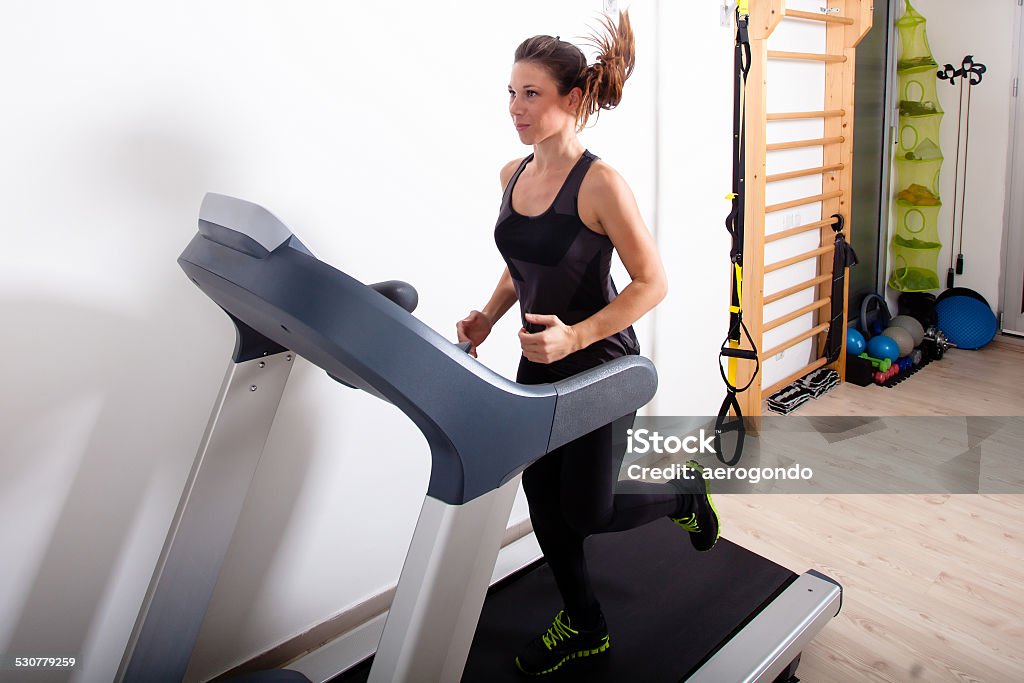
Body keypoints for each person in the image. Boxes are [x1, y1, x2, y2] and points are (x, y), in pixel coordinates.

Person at [456, 11, 719, 676]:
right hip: (538, 360)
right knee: (544, 498)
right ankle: (584, 622)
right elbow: (527, 266)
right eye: (511, 93)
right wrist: (488, 317)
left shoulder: (601, 184)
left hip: (602, 364)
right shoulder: (511, 174)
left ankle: (684, 494)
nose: (516, 107)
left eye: (532, 94)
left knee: (590, 508)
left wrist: (576, 333)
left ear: (572, 100)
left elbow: (652, 281)